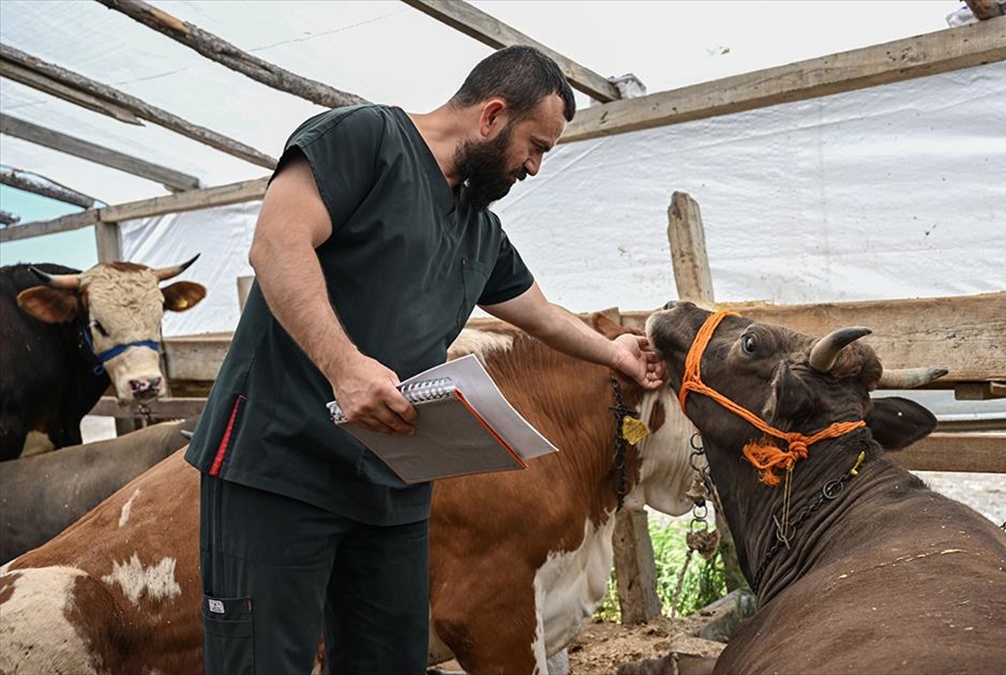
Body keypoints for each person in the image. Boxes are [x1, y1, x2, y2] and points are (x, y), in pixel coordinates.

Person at [183, 45, 664, 674]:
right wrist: (345, 365)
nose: (536, 167)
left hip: (391, 481)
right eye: (536, 146)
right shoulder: (365, 138)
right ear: (491, 116)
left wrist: (612, 350)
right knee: (262, 661)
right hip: (279, 466)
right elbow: (276, 242)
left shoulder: (478, 227)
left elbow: (541, 314)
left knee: (390, 660)